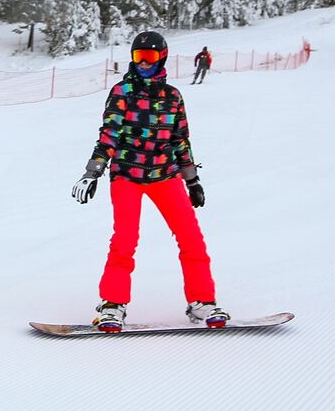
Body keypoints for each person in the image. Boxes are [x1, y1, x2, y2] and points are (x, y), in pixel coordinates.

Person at [71, 30, 229, 332]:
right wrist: (93, 171)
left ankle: (202, 302)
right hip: (127, 175)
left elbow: (181, 141)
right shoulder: (122, 93)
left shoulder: (173, 97)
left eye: (150, 58)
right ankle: (113, 304)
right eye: (138, 58)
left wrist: (192, 181)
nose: (144, 64)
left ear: (162, 58)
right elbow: (109, 135)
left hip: (164, 175)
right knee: (125, 240)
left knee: (191, 237)